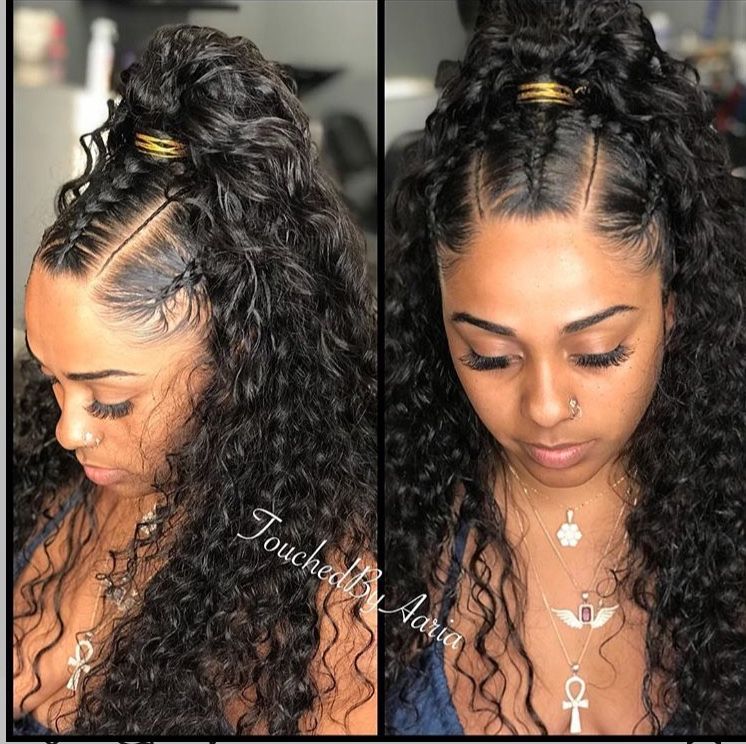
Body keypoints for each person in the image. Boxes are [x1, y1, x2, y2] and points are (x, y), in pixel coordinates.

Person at [384, 0, 745, 736]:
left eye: (598, 352)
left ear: (674, 310)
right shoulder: (387, 539)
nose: (546, 407)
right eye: (489, 355)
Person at [13, 23, 377, 736]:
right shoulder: (37, 478)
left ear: (239, 357)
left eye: (110, 399)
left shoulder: (330, 594)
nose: (67, 430)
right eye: (51, 378)